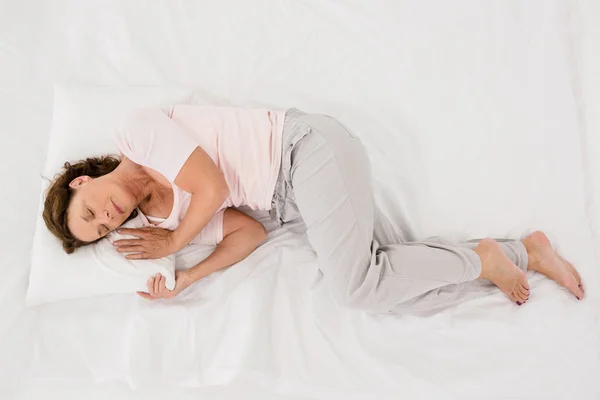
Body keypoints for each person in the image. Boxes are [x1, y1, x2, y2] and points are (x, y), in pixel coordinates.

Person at [43, 107, 584, 312]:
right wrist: (188, 279)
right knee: (388, 279)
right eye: (101, 231)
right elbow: (248, 233)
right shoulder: (164, 220)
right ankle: (523, 251)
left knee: (357, 290)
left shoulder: (135, 132)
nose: (107, 220)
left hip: (303, 150)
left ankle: (485, 260)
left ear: (83, 180)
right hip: (287, 199)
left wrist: (177, 245)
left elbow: (207, 185)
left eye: (89, 211)